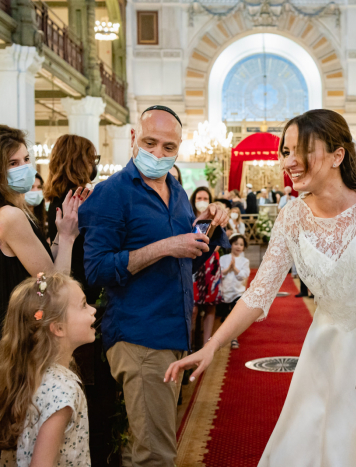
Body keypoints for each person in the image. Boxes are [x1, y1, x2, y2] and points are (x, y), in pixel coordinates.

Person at [165, 109, 356, 467]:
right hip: (324, 351)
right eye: (286, 151)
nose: (290, 162)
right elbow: (259, 291)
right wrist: (213, 345)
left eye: (302, 150)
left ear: (338, 155)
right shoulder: (292, 216)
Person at [79, 105, 228, 467]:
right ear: (133, 138)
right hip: (139, 334)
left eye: (168, 147)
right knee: (157, 456)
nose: (158, 154)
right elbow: (95, 269)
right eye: (150, 143)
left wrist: (210, 228)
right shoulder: (112, 192)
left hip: (174, 330)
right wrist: (165, 247)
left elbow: (184, 263)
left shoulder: (176, 191)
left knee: (144, 446)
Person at [0, 272, 96, 466]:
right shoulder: (63, 391)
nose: (93, 310)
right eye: (84, 305)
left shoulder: (34, 375)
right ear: (58, 328)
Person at [0, 125, 84, 331]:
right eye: (13, 163)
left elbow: (42, 265)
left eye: (26, 159)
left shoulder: (14, 210)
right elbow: (54, 287)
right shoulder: (10, 216)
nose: (24, 168)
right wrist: (67, 236)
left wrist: (61, 233)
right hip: (15, 331)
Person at [44, 134, 102, 304]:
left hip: (70, 276)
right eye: (92, 159)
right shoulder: (79, 199)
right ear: (79, 162)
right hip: (81, 284)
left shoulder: (56, 199)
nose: (94, 164)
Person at [190, 186, 224, 347]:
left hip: (210, 262)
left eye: (205, 199)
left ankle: (206, 344)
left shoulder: (215, 218)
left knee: (210, 306)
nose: (202, 202)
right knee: (193, 308)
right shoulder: (188, 217)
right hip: (193, 264)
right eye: (199, 199)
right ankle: (189, 345)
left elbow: (219, 239)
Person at [217, 233, 250, 349]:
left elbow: (244, 276)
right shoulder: (223, 258)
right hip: (225, 292)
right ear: (231, 244)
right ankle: (222, 338)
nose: (238, 247)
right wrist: (227, 269)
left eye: (241, 244)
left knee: (235, 317)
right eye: (236, 244)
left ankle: (234, 338)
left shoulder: (244, 261)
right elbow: (219, 274)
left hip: (238, 293)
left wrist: (235, 268)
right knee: (225, 317)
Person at [25, 173, 47, 241]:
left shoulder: (46, 216)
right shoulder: (17, 216)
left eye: (39, 187)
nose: (36, 191)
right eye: (31, 187)